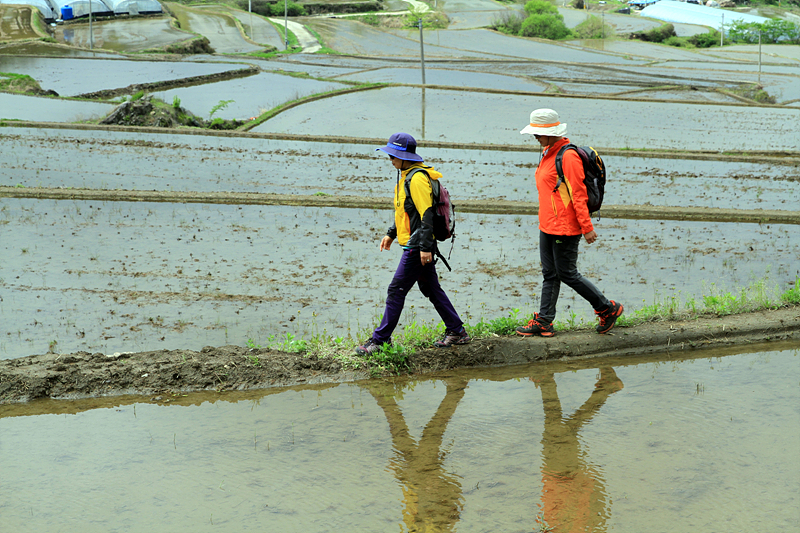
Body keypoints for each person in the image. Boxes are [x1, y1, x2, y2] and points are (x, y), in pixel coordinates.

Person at [355, 133, 470, 355]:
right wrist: (391, 233)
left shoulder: (416, 178)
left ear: (404, 156)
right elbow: (406, 212)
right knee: (430, 288)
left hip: (418, 246)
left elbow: (426, 214)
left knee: (396, 290)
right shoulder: (407, 175)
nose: (390, 160)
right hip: (417, 242)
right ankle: (457, 331)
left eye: (392, 156)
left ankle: (379, 341)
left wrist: (425, 247)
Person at [516, 109, 623, 337]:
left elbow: (578, 193)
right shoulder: (547, 152)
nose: (534, 137)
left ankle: (607, 308)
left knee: (567, 273)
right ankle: (544, 321)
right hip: (547, 224)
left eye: (538, 133)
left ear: (551, 133)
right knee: (550, 274)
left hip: (565, 226)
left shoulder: (568, 156)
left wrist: (587, 227)